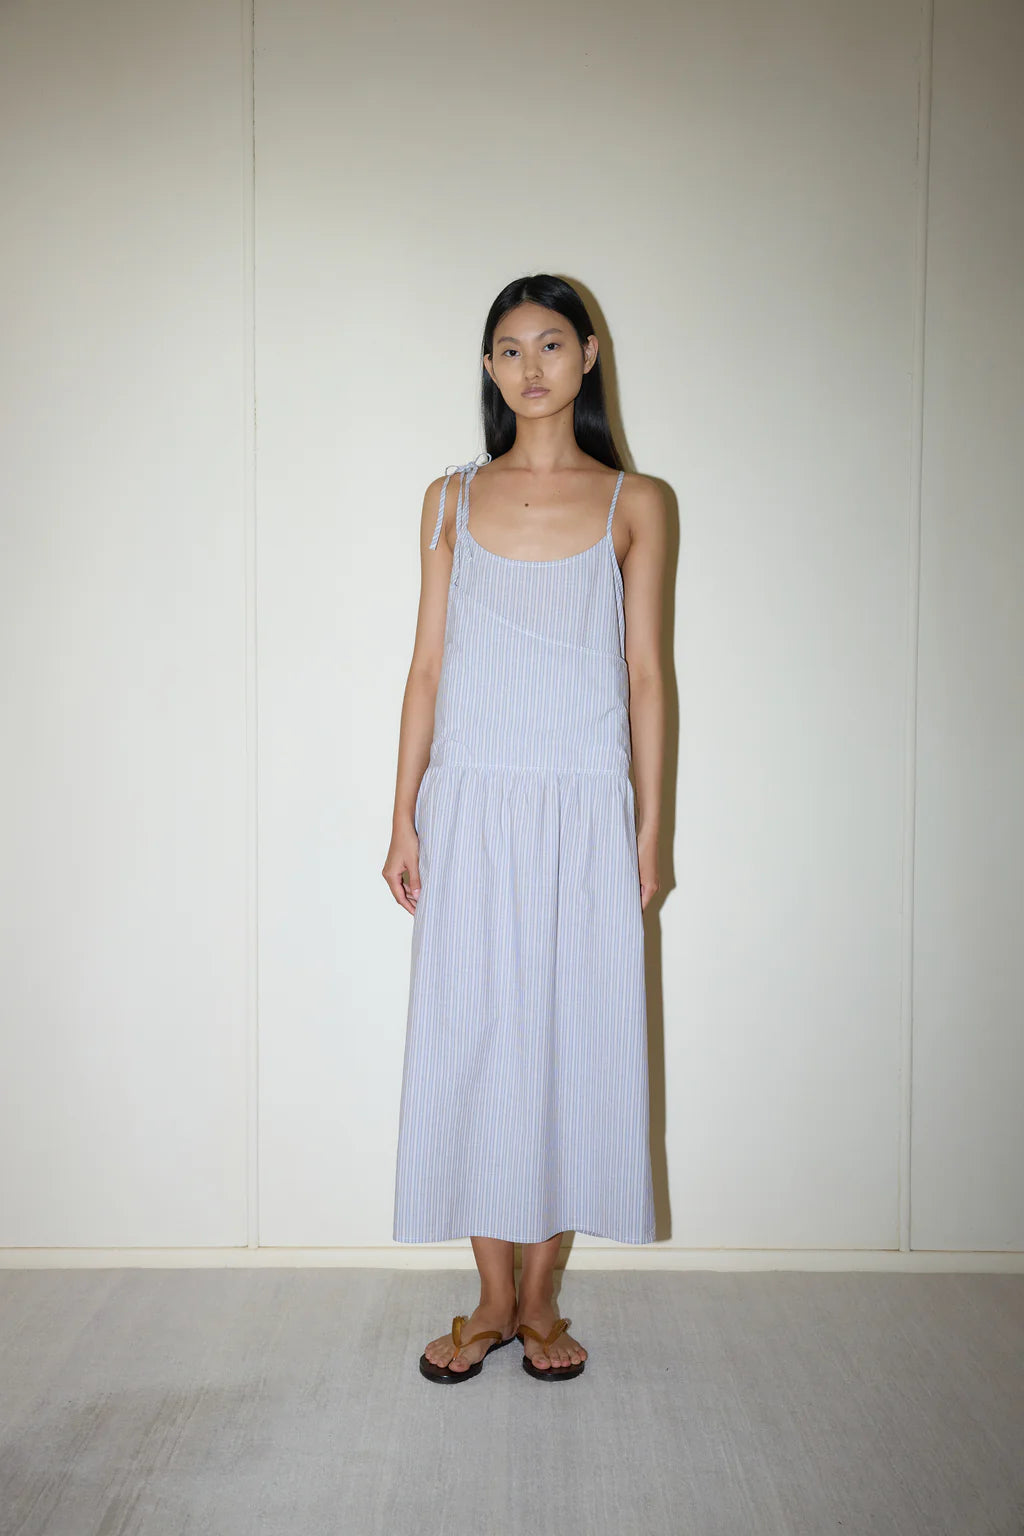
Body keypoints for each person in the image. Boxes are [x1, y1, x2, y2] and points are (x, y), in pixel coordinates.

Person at [382, 273, 666, 1383]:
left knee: (572, 1044)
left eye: (551, 344)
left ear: (587, 355)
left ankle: (541, 1304)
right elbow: (425, 668)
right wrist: (403, 817)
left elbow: (646, 675)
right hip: (471, 805)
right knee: (472, 1040)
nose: (530, 366)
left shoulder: (636, 501)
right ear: (490, 368)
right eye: (508, 348)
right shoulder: (448, 499)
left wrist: (650, 833)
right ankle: (491, 1301)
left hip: (584, 809)